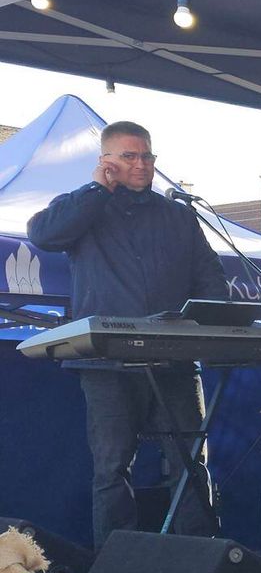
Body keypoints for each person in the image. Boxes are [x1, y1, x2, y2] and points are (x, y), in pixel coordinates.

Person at [27, 120, 228, 547]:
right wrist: (97, 190)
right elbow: (43, 234)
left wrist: (215, 326)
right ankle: (116, 567)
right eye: (129, 156)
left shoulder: (178, 215)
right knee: (112, 467)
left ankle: (202, 560)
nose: (141, 164)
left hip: (175, 359)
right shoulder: (84, 206)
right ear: (106, 161)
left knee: (190, 463)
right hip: (107, 363)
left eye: (147, 156)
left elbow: (210, 277)